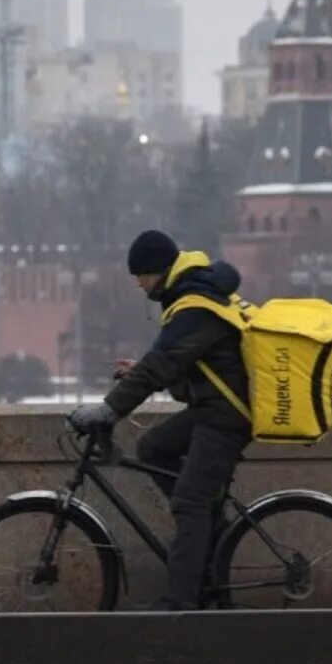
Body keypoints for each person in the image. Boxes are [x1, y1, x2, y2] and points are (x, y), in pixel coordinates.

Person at [68, 230, 251, 610]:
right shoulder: (192, 295)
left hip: (227, 415)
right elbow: (188, 361)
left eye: (140, 275)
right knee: (153, 448)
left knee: (189, 501)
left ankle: (181, 603)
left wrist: (109, 409)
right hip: (214, 406)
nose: (138, 283)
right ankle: (210, 534)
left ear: (158, 270)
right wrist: (138, 372)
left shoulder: (195, 305)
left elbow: (161, 365)